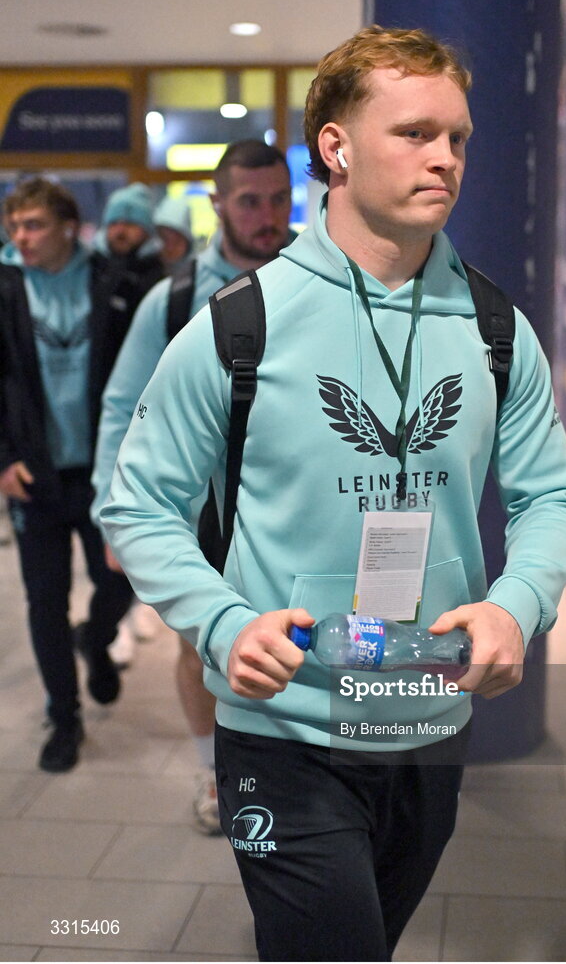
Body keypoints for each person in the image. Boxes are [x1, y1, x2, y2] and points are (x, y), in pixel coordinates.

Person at [101, 26, 566, 961]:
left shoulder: (495, 328)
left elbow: (552, 496)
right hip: (283, 734)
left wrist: (514, 606)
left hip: (427, 721)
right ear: (335, 147)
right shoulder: (239, 327)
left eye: (458, 137)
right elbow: (139, 503)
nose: (445, 158)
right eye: (414, 133)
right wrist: (217, 619)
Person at [91, 139, 294, 833]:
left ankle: (302, 773)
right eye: (249, 201)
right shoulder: (174, 300)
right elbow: (123, 409)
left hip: (298, 512)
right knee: (198, 648)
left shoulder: (322, 280)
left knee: (301, 640)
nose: (267, 216)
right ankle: (217, 775)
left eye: (279, 199)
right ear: (217, 205)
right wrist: (114, 513)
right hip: (202, 512)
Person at [0, 177, 141, 773]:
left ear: (66, 227)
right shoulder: (5, 288)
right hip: (35, 473)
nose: (20, 237)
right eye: (14, 227)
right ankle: (65, 716)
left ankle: (99, 638)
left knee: (124, 578)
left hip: (105, 471)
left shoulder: (115, 283)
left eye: (32, 225)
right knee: (44, 601)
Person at [91, 182, 165, 297]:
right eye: (114, 223)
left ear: (147, 231)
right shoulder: (89, 269)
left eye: (129, 223)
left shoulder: (161, 279)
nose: (120, 231)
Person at [154, 194, 194, 272]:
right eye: (164, 239)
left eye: (176, 242)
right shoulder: (145, 270)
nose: (170, 248)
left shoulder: (198, 274)